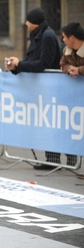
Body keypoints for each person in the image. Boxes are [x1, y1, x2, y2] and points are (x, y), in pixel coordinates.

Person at [4, 7, 64, 170]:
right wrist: (15, 66)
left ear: (34, 23)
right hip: (42, 89)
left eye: (28, 21)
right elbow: (33, 59)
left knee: (54, 125)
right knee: (47, 125)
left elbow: (43, 64)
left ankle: (59, 160)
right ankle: (51, 159)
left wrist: (19, 64)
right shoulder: (39, 35)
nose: (26, 24)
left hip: (51, 89)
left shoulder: (47, 36)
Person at [59, 22, 84, 168]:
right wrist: (70, 69)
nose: (63, 40)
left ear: (72, 38)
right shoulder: (67, 50)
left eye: (64, 37)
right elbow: (62, 64)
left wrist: (78, 70)